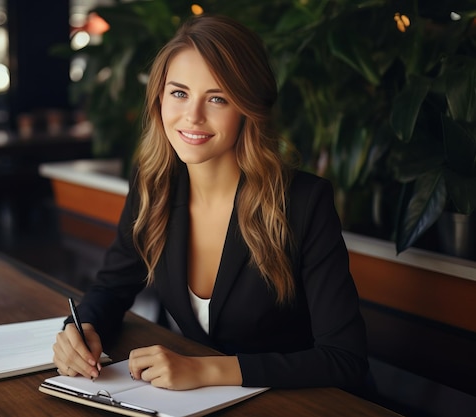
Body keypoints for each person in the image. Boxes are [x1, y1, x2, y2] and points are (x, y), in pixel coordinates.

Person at [53, 14, 368, 392]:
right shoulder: (154, 184)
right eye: (179, 93)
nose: (193, 116)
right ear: (159, 98)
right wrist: (82, 329)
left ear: (247, 109)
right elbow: (111, 288)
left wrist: (207, 371)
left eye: (217, 98)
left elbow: (344, 358)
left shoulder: (302, 202)